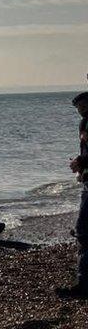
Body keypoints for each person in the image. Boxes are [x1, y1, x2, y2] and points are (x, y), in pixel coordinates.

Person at [61, 90, 88, 298]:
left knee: (83, 231)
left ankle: (84, 284)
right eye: (78, 108)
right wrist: (80, 166)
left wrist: (81, 163)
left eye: (83, 107)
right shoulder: (84, 124)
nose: (80, 111)